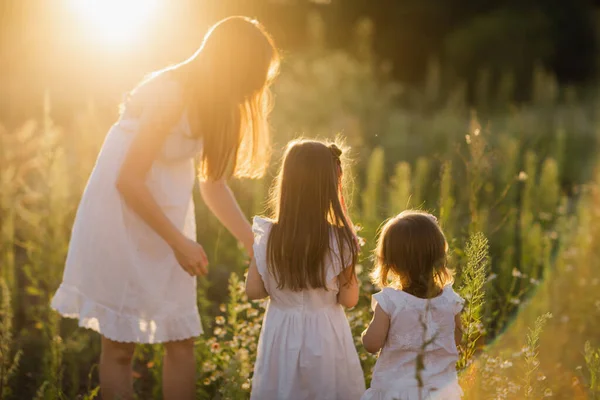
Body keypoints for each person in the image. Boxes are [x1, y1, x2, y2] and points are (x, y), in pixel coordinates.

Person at [51, 16, 279, 400]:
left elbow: (213, 184)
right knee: (121, 347)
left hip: (168, 214)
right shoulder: (171, 93)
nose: (249, 91)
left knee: (181, 338)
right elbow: (128, 180)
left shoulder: (218, 104)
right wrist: (180, 244)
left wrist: (253, 244)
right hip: (122, 213)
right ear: (229, 67)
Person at [245, 139, 366, 400]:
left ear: (286, 182)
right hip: (325, 334)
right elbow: (349, 299)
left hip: (281, 332)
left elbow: (253, 290)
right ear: (330, 185)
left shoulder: (267, 236)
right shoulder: (340, 240)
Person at [361, 211, 464, 400]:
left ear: (391, 262)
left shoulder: (391, 301)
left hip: (397, 392)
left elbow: (372, 344)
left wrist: (364, 335)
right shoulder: (450, 299)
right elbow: (456, 339)